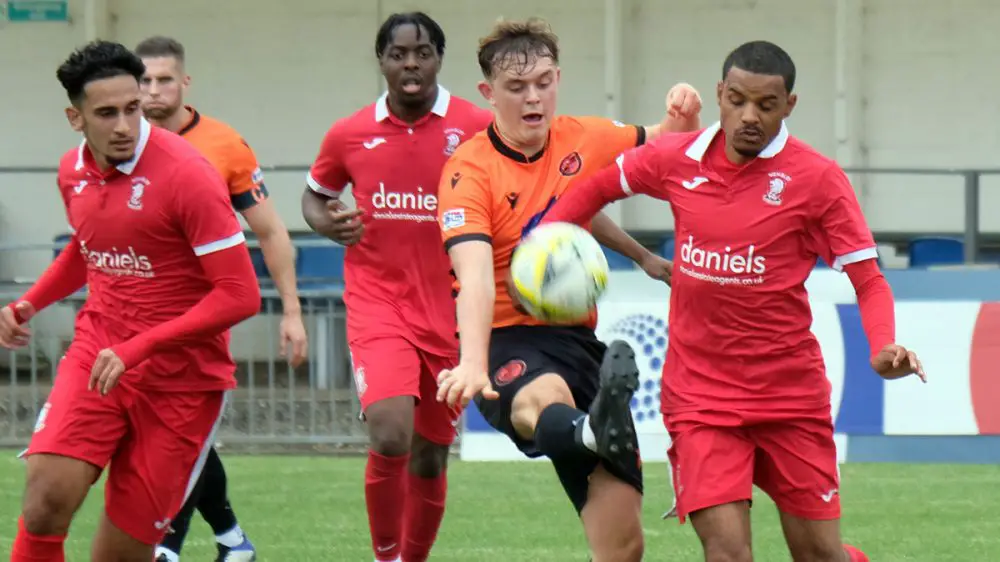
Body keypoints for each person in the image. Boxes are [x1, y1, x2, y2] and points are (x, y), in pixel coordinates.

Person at [541, 40, 928, 562]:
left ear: (789, 105)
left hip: (789, 398)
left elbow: (869, 278)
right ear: (720, 94)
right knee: (725, 552)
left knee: (818, 554)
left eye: (766, 106)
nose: (750, 116)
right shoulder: (677, 158)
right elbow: (597, 187)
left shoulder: (817, 181)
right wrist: (546, 240)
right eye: (738, 100)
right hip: (701, 399)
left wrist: (883, 345)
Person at [433, 18, 700, 562]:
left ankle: (590, 427)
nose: (534, 98)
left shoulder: (585, 137)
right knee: (544, 395)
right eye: (516, 87)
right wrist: (473, 362)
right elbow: (477, 274)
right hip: (507, 337)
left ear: (558, 78)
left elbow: (671, 145)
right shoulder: (467, 172)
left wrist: (685, 115)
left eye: (544, 82)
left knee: (623, 545)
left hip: (579, 341)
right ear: (488, 94)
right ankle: (584, 428)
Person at [4, 40, 261, 562]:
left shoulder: (187, 175)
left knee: (118, 554)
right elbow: (88, 246)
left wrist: (140, 346)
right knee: (44, 503)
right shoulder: (71, 171)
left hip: (180, 382)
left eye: (132, 108)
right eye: (106, 113)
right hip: (98, 355)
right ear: (75, 118)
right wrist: (28, 304)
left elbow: (240, 294)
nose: (123, 125)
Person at [300, 12, 493, 562]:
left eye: (423, 51)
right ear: (381, 59)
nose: (411, 63)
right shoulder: (349, 133)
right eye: (398, 53)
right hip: (377, 302)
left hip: (452, 311)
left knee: (430, 456)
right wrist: (325, 221)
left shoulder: (477, 127)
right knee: (390, 434)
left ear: (438, 57)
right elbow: (315, 196)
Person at [135, 34, 306, 562]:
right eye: (144, 80)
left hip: (200, 313)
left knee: (180, 430)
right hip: (133, 311)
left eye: (164, 79)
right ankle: (233, 540)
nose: (153, 91)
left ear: (185, 82)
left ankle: (168, 545)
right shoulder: (119, 140)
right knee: (165, 433)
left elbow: (272, 232)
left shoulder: (224, 145)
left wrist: (293, 312)